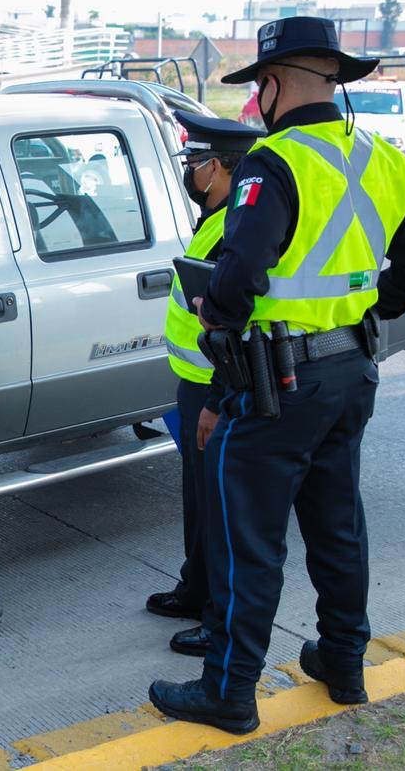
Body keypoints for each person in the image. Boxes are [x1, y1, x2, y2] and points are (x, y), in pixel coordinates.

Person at [148, 17, 405, 734]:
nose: (258, 103)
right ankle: (343, 661)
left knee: (248, 537)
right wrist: (359, 314)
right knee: (338, 524)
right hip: (352, 371)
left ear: (275, 85)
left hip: (277, 384)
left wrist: (208, 298)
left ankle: (228, 688)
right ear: (333, 81)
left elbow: (238, 281)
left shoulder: (272, 162)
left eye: (258, 89)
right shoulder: (381, 158)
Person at [150, 113, 263, 661]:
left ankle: (217, 617)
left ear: (217, 168)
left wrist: (217, 400)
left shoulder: (235, 227)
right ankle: (195, 588)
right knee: (197, 497)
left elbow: (233, 321)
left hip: (216, 385)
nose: (190, 173)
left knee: (219, 506)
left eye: (195, 164)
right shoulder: (217, 217)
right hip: (195, 382)